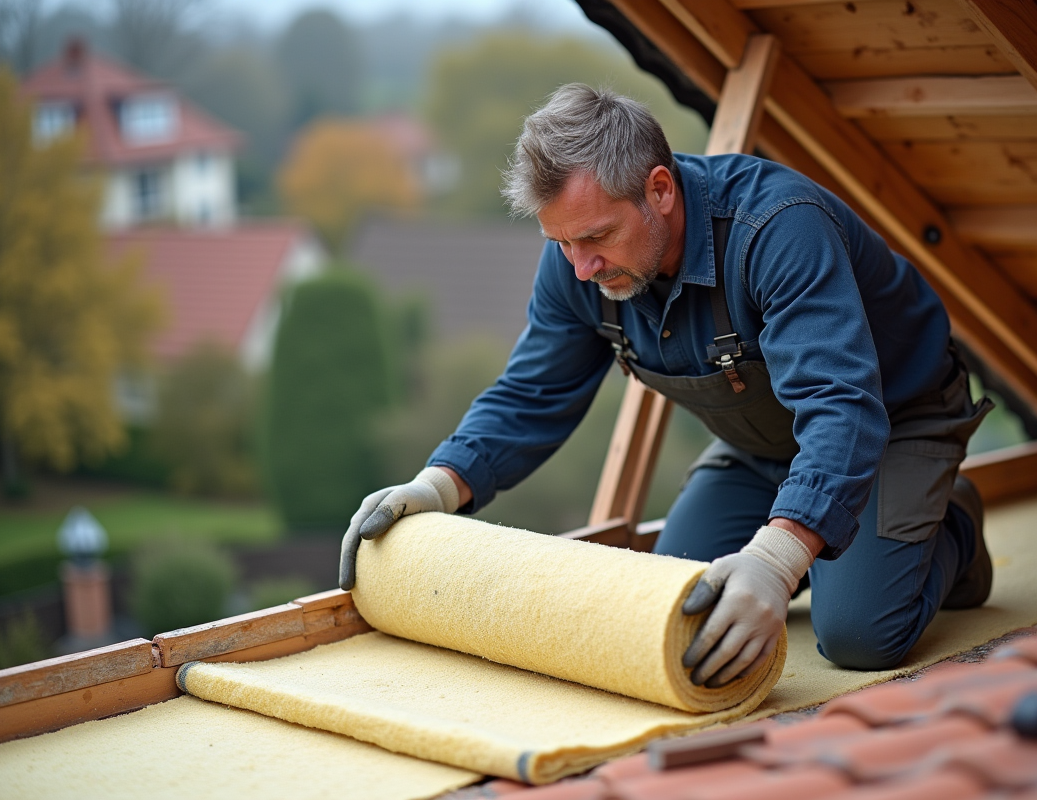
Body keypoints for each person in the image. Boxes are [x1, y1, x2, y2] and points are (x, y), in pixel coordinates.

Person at [339, 84, 994, 687]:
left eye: (596, 237)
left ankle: (951, 527)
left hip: (886, 426)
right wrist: (438, 485)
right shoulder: (579, 259)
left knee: (857, 634)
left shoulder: (777, 229)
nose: (581, 267)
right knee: (673, 609)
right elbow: (531, 393)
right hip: (762, 446)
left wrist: (775, 560)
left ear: (659, 190)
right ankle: (832, 536)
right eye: (561, 242)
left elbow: (840, 407)